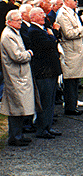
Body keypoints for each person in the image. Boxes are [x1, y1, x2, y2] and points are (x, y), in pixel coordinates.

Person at [0, 10, 35, 146]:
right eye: (17, 20)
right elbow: (17, 56)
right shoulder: (8, 36)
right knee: (16, 106)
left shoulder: (15, 33)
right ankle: (15, 136)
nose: (20, 22)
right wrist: (29, 54)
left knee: (20, 106)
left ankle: (18, 134)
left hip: (20, 74)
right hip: (15, 75)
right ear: (9, 22)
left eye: (20, 20)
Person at [28, 7, 62, 139]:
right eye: (40, 14)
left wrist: (52, 37)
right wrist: (52, 36)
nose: (43, 16)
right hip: (44, 71)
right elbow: (48, 45)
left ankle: (48, 126)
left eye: (43, 14)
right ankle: (42, 128)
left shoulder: (43, 30)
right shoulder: (34, 31)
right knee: (44, 100)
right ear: (33, 17)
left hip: (51, 70)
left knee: (50, 100)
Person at [56, 0, 83, 116]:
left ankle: (73, 104)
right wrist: (82, 28)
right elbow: (68, 34)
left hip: (76, 50)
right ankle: (70, 107)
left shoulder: (73, 12)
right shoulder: (63, 14)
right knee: (70, 80)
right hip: (70, 50)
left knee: (75, 80)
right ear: (67, 0)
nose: (76, 1)